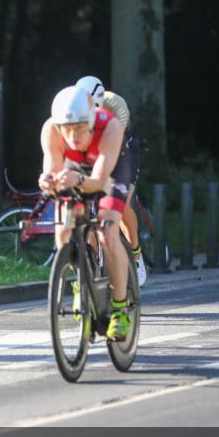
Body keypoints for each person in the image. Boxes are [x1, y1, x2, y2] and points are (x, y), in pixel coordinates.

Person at [38, 85, 137, 341]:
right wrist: (48, 181)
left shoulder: (111, 127)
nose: (73, 136)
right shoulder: (50, 130)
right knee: (64, 230)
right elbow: (53, 170)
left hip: (110, 172)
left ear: (91, 122)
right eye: (67, 129)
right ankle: (81, 282)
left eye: (80, 128)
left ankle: (119, 308)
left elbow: (99, 181)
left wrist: (76, 179)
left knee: (107, 233)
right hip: (75, 169)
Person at [75, 75, 147, 286]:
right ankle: (91, 264)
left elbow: (115, 150)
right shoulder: (75, 107)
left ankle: (136, 253)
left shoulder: (117, 106)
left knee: (122, 203)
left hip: (123, 149)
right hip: (93, 148)